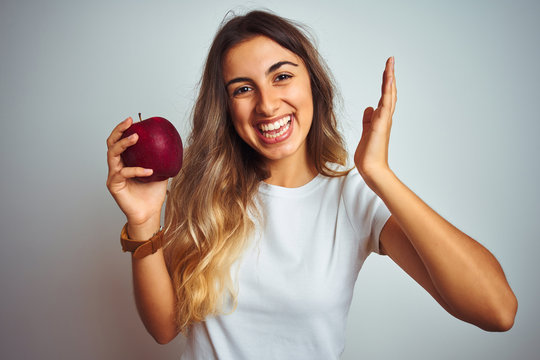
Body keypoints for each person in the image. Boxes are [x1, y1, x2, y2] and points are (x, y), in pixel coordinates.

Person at [106, 10, 517, 359]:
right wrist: (143, 220)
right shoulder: (201, 192)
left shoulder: (355, 198)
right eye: (244, 89)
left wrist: (379, 175)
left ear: (313, 85)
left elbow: (497, 311)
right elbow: (164, 328)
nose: (267, 104)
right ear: (227, 109)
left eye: (281, 76)